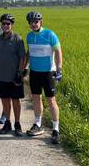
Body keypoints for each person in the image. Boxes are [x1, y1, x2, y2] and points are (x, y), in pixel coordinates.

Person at [25, 11, 63, 144]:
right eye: (31, 22)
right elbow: (29, 53)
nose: (33, 24)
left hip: (48, 72)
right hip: (34, 72)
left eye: (36, 21)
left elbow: (58, 51)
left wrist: (59, 69)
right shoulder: (29, 36)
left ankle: (56, 129)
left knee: (51, 100)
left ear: (41, 22)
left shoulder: (49, 34)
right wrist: (25, 67)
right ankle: (38, 124)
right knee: (36, 97)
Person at [0, 14, 26, 136]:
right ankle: (7, 122)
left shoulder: (17, 39)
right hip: (2, 76)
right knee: (5, 100)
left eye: (8, 24)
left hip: (15, 76)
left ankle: (17, 123)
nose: (6, 26)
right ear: (1, 25)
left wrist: (20, 73)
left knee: (15, 101)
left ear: (12, 25)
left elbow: (22, 57)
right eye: (4, 24)